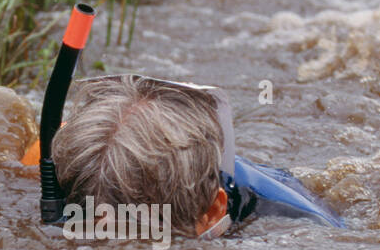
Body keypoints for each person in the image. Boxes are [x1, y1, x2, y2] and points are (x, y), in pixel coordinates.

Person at [24, 73, 345, 239]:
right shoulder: (55, 161)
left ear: (212, 212)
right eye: (100, 234)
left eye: (143, 238)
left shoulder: (303, 225)